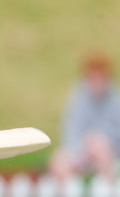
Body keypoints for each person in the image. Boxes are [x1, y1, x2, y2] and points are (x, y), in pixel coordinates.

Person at [50, 52, 120, 180]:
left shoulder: (115, 99)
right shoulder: (77, 97)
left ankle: (106, 195)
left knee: (102, 151)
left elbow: (117, 135)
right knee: (59, 160)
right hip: (80, 151)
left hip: (109, 153)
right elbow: (70, 131)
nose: (97, 82)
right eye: (93, 77)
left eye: (101, 77)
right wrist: (84, 148)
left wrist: (101, 143)